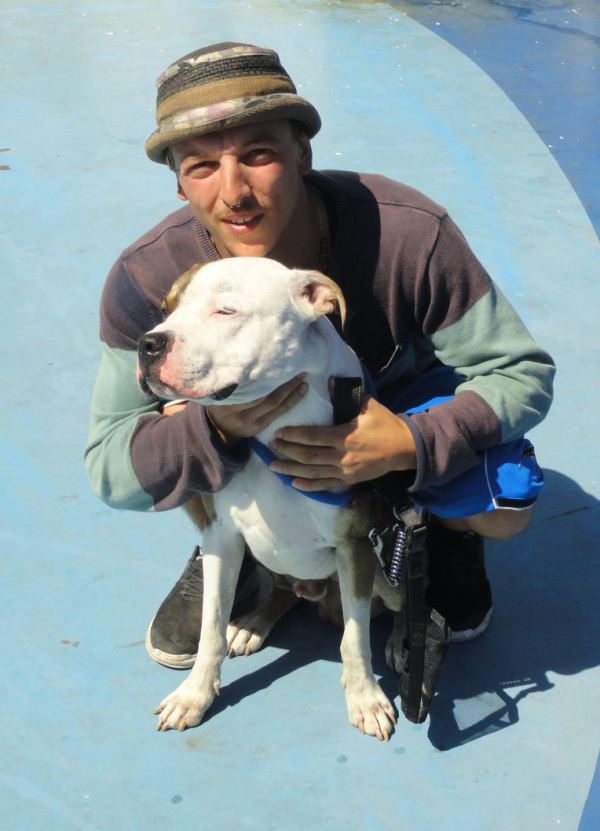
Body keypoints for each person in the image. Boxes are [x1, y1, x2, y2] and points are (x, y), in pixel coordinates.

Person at [85, 42, 555, 669]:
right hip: (253, 457)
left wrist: (411, 443)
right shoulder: (147, 278)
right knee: (175, 435)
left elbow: (522, 372)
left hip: (393, 411)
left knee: (504, 509)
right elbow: (111, 466)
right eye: (201, 166)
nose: (234, 192)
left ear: (303, 154)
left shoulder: (407, 233)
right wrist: (213, 432)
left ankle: (439, 533)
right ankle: (235, 545)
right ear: (177, 181)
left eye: (258, 154)